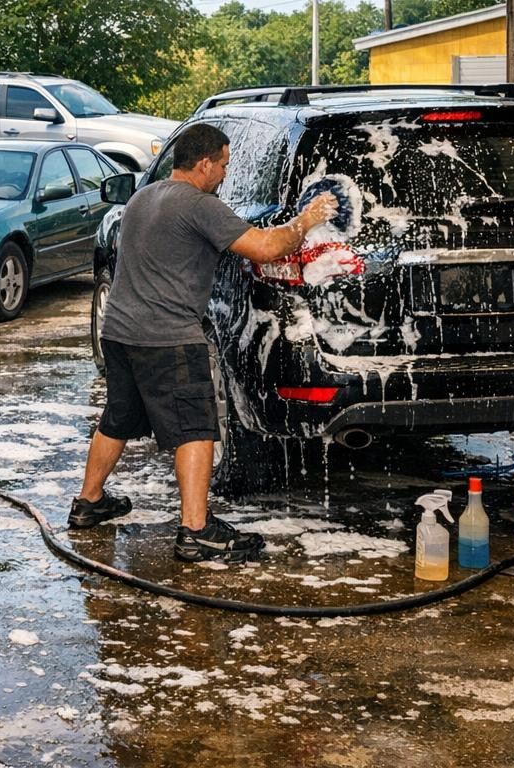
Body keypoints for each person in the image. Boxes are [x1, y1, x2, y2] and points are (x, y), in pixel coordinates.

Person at [69, 124, 338, 563]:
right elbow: (266, 248)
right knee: (197, 428)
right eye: (225, 165)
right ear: (205, 164)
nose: (226, 174)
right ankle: (195, 530)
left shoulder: (144, 196)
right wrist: (308, 218)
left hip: (119, 331)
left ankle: (89, 502)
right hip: (168, 338)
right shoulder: (200, 206)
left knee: (118, 417)